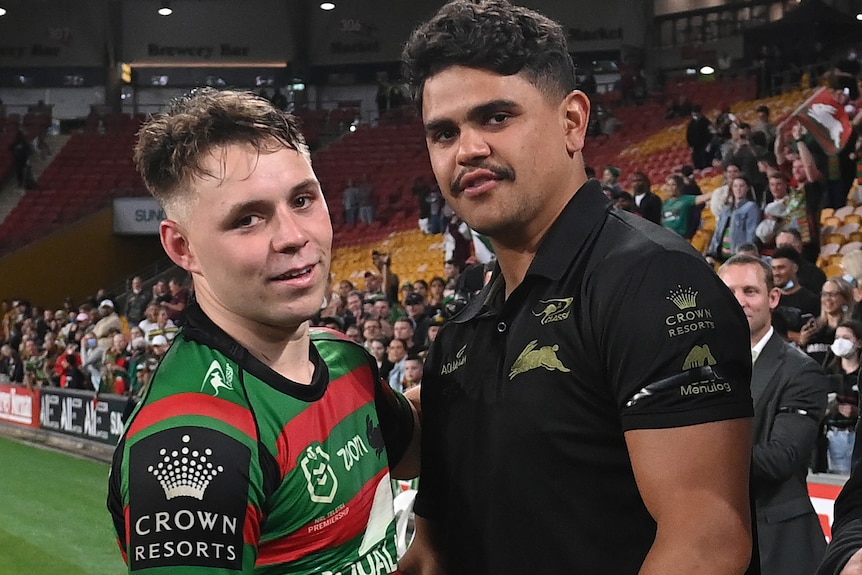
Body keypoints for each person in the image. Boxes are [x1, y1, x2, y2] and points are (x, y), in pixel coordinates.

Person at [400, 2, 755, 573]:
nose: (466, 149)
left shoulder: (652, 281)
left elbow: (706, 542)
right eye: (444, 132)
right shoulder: (461, 327)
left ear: (572, 123)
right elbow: (432, 553)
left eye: (495, 117)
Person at [107, 88, 420, 574]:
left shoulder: (344, 360)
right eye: (248, 219)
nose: (294, 236)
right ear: (182, 247)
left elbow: (419, 447)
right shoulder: (197, 438)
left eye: (303, 199)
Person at [718, 255, 828, 574]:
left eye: (750, 291)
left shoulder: (801, 372)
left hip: (777, 545)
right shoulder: (699, 366)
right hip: (713, 540)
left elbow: (783, 456)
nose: (739, 302)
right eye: (730, 292)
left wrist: (699, 463)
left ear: (773, 298)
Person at [708, 176, 762, 262]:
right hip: (722, 254)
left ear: (747, 188)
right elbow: (718, 232)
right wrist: (711, 252)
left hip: (739, 254)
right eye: (735, 186)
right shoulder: (726, 209)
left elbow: (751, 233)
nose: (738, 189)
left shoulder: (751, 207)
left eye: (741, 186)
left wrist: (748, 254)